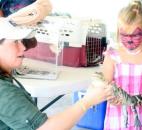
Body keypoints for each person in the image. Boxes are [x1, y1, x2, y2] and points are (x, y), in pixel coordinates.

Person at [0, 17, 113, 130]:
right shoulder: (4, 92)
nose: (23, 47)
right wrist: (86, 102)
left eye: (21, 41)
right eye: (15, 42)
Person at [102, 0, 142, 129]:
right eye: (124, 35)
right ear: (118, 31)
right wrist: (110, 96)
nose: (129, 40)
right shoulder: (113, 55)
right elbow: (104, 85)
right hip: (117, 118)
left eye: (135, 35)